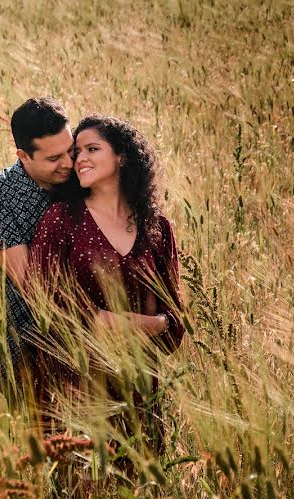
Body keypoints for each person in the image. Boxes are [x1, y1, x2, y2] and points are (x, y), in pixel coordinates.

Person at [29, 114, 184, 452]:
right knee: (86, 493)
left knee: (140, 490)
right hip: (77, 387)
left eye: (92, 149)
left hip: (139, 390)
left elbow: (176, 325)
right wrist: (97, 322)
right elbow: (43, 300)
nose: (79, 159)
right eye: (76, 151)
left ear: (122, 156)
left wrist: (136, 323)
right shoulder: (62, 220)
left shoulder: (156, 228)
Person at [0, 97, 75, 378]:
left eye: (71, 150)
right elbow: (31, 286)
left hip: (89, 348)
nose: (68, 163)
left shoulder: (84, 176)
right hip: (17, 346)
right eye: (54, 158)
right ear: (23, 156)